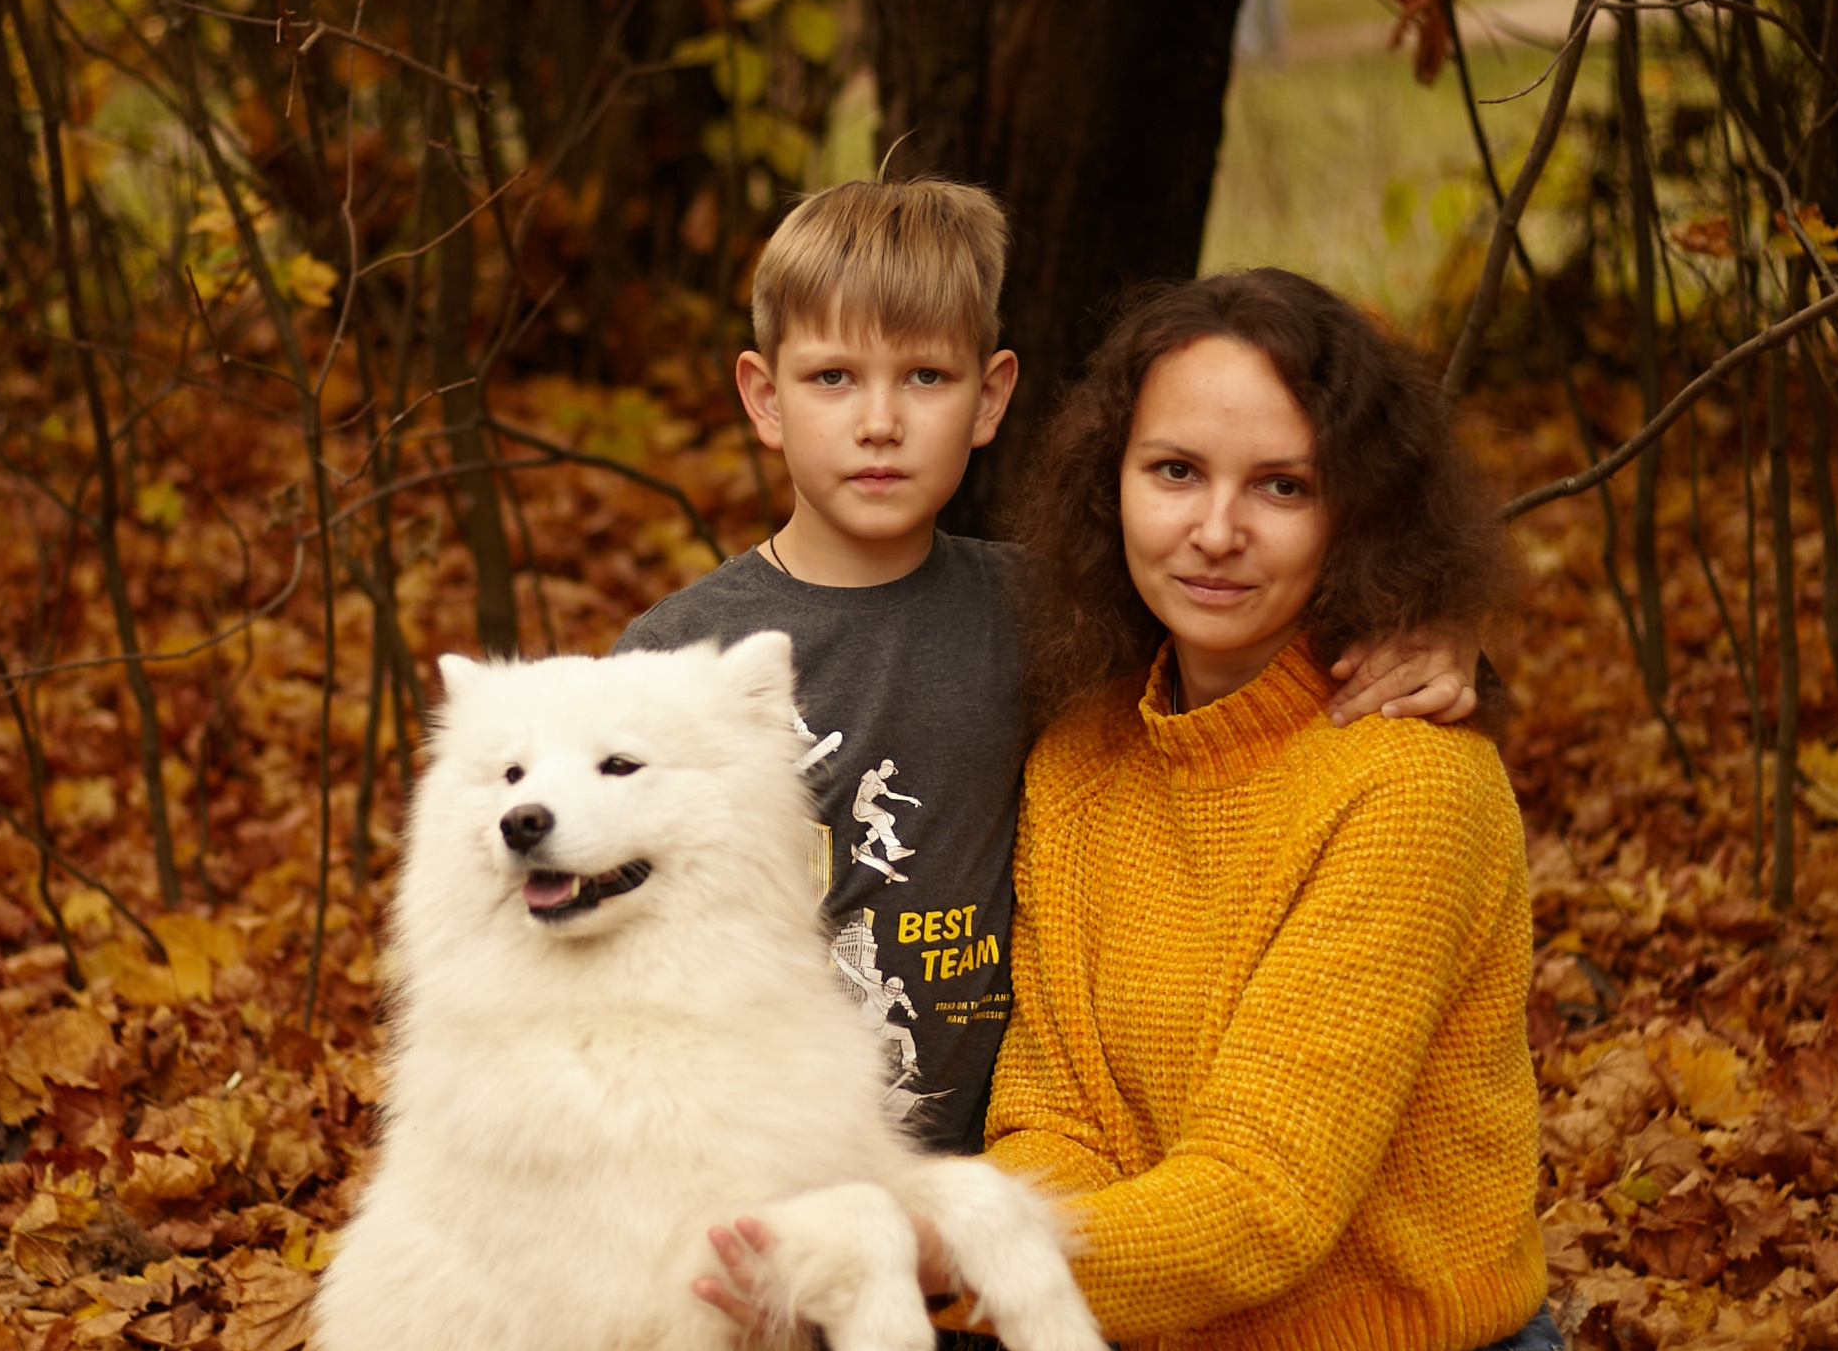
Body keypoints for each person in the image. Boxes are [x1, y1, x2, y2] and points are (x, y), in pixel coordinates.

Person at [724, 267, 1576, 1351]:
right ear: (1111, 475)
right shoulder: (1092, 754)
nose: (1216, 529)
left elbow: (1260, 1208)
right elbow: (1058, 1120)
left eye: (1284, 487)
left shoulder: (1410, 794)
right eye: (1176, 471)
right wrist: (965, 1221)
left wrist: (931, 1254)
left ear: (1357, 513)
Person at [618, 181, 1479, 1174]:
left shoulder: (1056, 610)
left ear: (991, 398)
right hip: (754, 1181)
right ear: (764, 398)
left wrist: (1441, 632)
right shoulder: (670, 662)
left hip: (1020, 1187)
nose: (881, 421)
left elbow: (1242, 644)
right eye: (832, 379)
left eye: (927, 378)